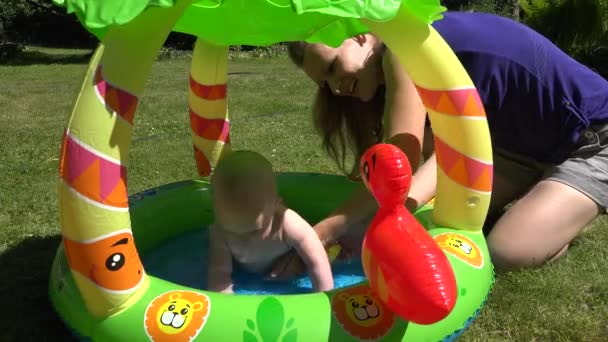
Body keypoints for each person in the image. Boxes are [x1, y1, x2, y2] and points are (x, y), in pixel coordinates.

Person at [270, 11, 608, 276]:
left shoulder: (404, 52)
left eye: (332, 68)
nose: (336, 88)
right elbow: (443, 157)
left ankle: (555, 218)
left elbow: (400, 160)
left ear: (359, 36)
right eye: (324, 84)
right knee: (430, 218)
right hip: (514, 147)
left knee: (506, 252)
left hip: (593, 137)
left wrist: (322, 232)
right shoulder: (403, 46)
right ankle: (544, 202)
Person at [206, 150, 334, 293]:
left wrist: (324, 295)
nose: (244, 238)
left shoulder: (288, 224)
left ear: (276, 204)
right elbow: (220, 272)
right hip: (245, 276)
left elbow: (317, 260)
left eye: (254, 230)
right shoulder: (219, 231)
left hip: (292, 274)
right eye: (230, 230)